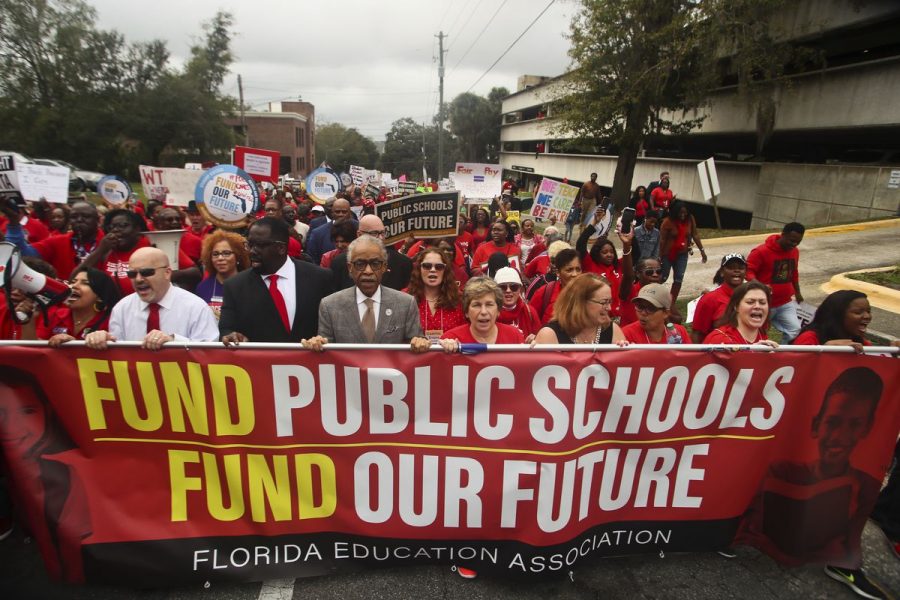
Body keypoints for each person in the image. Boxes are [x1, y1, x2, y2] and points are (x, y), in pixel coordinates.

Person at [739, 368, 887, 598]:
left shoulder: (865, 487)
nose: (840, 436)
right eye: (833, 422)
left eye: (855, 424)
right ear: (816, 424)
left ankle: (842, 566)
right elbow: (749, 525)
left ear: (867, 427)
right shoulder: (780, 472)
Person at [304, 236, 429, 352]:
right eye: (360, 264)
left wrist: (420, 342)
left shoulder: (406, 303)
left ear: (384, 267)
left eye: (375, 264)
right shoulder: (330, 306)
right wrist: (318, 344)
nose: (368, 271)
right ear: (349, 268)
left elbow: (416, 346)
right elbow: (326, 354)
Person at [219, 217, 333, 344]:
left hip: (312, 362)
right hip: (261, 363)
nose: (252, 251)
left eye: (260, 245)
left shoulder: (320, 278)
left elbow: (333, 327)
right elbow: (226, 329)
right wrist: (231, 336)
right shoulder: (235, 286)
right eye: (249, 244)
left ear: (281, 248)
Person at [84, 247, 219, 350]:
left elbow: (209, 353)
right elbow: (119, 353)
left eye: (146, 272)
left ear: (167, 273)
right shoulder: (122, 308)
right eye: (132, 274)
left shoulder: (195, 307)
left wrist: (174, 341)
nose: (138, 279)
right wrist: (103, 340)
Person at [76, 208, 198, 296]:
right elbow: (75, 277)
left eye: (123, 225)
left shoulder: (154, 244)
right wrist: (100, 250)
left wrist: (164, 274)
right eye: (112, 227)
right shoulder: (105, 250)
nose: (116, 230)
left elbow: (195, 273)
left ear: (137, 229)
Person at [2, 200, 103, 279]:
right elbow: (20, 254)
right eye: (74, 217)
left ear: (98, 220)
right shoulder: (57, 242)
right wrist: (14, 222)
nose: (79, 220)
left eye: (86, 216)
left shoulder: (111, 244)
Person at [746, 221, 805, 343]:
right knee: (757, 333)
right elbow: (748, 271)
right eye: (791, 240)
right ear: (783, 234)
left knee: (795, 330)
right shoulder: (760, 251)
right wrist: (760, 285)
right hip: (764, 303)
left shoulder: (795, 251)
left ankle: (783, 356)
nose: (794, 245)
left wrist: (798, 292)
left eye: (798, 242)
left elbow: (794, 272)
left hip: (785, 302)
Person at [533, 273, 627, 345]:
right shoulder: (549, 334)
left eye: (610, 302)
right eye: (603, 302)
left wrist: (624, 356)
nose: (609, 308)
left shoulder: (613, 330)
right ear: (581, 302)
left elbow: (624, 368)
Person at [36, 268, 120, 345]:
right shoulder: (53, 314)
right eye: (73, 282)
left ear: (100, 297)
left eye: (85, 283)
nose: (74, 286)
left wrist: (73, 345)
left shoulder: (111, 320)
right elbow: (36, 352)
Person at [329, 214, 413, 291]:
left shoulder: (402, 263)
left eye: (382, 233)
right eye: (374, 233)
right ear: (359, 234)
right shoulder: (339, 263)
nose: (380, 238)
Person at [439, 277, 525, 348]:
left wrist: (534, 350)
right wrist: (445, 350)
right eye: (476, 305)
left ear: (498, 310)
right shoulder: (451, 338)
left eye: (489, 304)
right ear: (466, 312)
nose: (483, 312)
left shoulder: (515, 336)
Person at [576, 210, 630, 317]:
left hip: (617, 317)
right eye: (604, 252)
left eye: (611, 252)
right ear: (597, 253)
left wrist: (628, 228)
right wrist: (594, 223)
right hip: (596, 316)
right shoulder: (589, 264)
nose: (609, 255)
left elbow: (634, 255)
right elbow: (580, 244)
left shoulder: (618, 265)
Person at [405, 247, 466, 341]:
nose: (433, 270)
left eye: (439, 267)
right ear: (419, 269)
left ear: (445, 271)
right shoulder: (404, 298)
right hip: (415, 355)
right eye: (427, 266)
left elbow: (465, 333)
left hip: (450, 355)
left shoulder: (459, 299)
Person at [659, 201, 707, 313]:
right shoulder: (667, 222)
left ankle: (671, 303)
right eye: (680, 213)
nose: (683, 215)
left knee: (678, 278)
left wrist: (702, 251)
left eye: (685, 213)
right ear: (675, 212)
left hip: (682, 254)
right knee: (663, 277)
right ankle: (655, 298)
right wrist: (659, 256)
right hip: (667, 254)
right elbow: (662, 240)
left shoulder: (690, 219)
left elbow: (695, 234)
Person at [690, 253, 748, 342]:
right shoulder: (709, 299)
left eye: (741, 268)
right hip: (718, 352)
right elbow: (697, 333)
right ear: (721, 272)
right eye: (731, 268)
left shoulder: (753, 298)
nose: (737, 270)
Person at [702, 280, 778, 347]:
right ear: (736, 306)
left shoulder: (762, 337)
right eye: (750, 302)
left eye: (762, 302)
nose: (757, 306)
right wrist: (752, 353)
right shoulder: (718, 339)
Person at [195, 230, 250, 319]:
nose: (220, 258)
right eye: (215, 254)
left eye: (226, 253)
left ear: (238, 256)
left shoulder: (250, 285)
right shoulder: (202, 287)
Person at [621, 284, 690, 344]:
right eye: (640, 307)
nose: (643, 313)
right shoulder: (626, 334)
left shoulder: (679, 332)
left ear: (666, 313)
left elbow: (690, 358)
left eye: (650, 308)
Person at [530, 248, 582, 325]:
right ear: (558, 272)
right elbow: (531, 319)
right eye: (569, 270)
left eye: (578, 269)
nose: (575, 274)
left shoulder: (588, 293)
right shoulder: (545, 292)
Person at [494, 267, 541, 342]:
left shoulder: (530, 312)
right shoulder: (490, 313)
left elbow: (541, 344)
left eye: (514, 287)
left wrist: (536, 340)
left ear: (520, 289)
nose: (508, 290)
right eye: (503, 287)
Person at [306, 198, 354, 264]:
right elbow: (313, 260)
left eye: (344, 212)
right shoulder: (318, 233)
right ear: (332, 212)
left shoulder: (359, 228)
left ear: (350, 212)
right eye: (337, 212)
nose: (340, 214)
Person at [617, 256, 662, 326]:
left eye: (659, 271)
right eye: (649, 272)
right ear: (638, 274)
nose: (655, 275)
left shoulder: (662, 292)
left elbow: (673, 317)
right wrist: (627, 250)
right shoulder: (630, 291)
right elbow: (628, 276)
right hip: (630, 335)